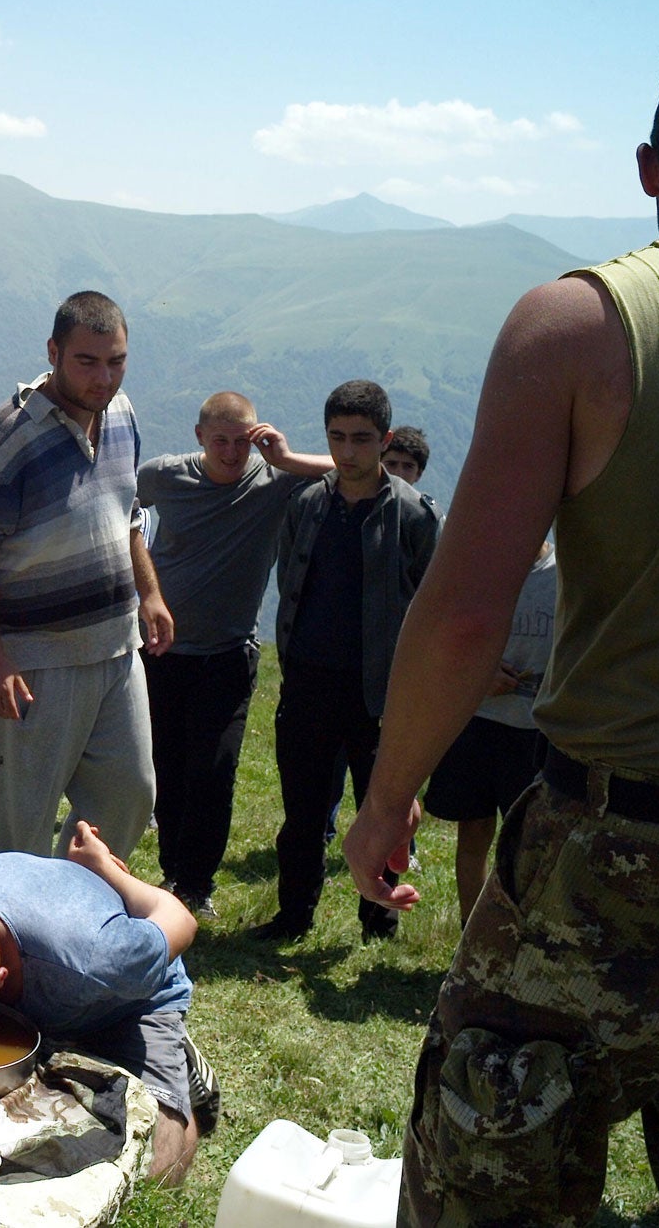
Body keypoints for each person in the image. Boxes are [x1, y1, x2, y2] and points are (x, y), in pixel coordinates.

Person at [344, 9, 659, 1226]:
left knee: (488, 1176)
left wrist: (386, 799)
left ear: (647, 168)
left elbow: (464, 615)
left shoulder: (577, 324)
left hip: (618, 860)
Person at [0, 291, 173, 858]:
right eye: (87, 361)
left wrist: (150, 592)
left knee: (130, 795)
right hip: (37, 662)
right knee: (24, 825)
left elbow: (127, 512)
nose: (104, 377)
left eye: (116, 360)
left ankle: (75, 915)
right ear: (53, 352)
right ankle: (20, 935)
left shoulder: (121, 413)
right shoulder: (6, 439)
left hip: (117, 648)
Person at [0, 822, 213, 1186]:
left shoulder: (104, 959)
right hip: (37, 962)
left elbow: (179, 917)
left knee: (156, 1164)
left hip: (126, 1003)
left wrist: (106, 871)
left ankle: (183, 1065)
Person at [133, 392, 330, 918]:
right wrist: (145, 589)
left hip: (228, 653)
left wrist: (285, 458)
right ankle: (176, 871)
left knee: (215, 769)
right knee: (167, 769)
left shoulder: (272, 482)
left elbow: (355, 467)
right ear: (200, 437)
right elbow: (118, 507)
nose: (231, 452)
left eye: (242, 442)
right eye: (220, 440)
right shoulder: (165, 476)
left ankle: (195, 884)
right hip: (161, 650)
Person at [259, 379, 437, 943]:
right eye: (337, 437)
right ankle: (293, 916)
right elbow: (291, 582)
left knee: (380, 810)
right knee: (303, 815)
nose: (347, 451)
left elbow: (432, 602)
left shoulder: (413, 517)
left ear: (384, 441)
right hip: (309, 684)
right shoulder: (308, 504)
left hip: (380, 691)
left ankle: (379, 923)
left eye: (361, 439)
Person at [417, 539, 555, 924]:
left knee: (527, 842)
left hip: (534, 730)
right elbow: (441, 629)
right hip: (475, 720)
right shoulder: (476, 569)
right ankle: (470, 933)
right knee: (473, 830)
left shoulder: (562, 574)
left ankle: (517, 937)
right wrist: (481, 672)